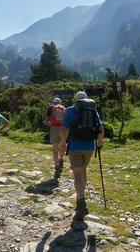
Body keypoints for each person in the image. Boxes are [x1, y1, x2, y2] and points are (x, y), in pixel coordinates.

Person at [59, 91, 104, 220]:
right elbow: (101, 129)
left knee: (77, 174)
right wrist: (99, 144)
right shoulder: (93, 111)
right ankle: (82, 196)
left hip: (75, 147)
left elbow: (63, 129)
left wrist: (62, 145)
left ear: (76, 100)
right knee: (84, 171)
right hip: (89, 147)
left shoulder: (70, 110)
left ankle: (81, 201)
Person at [43, 97, 66, 178]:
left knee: (55, 148)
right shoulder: (64, 108)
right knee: (62, 145)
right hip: (64, 128)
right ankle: (61, 159)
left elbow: (45, 121)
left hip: (54, 128)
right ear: (60, 102)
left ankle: (57, 167)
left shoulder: (51, 108)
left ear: (53, 102)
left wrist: (51, 124)